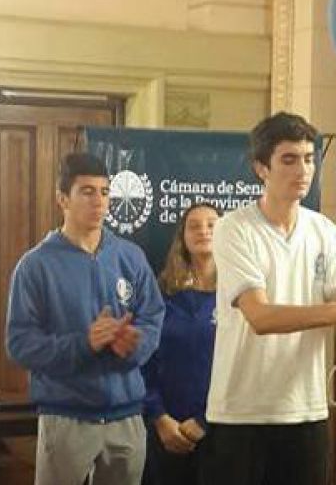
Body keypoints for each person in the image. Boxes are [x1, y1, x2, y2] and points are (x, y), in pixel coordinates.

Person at [201, 112, 336, 485]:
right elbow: (259, 317)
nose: (302, 170)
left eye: (309, 158)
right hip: (242, 412)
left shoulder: (323, 230)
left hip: (305, 411)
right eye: (289, 159)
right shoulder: (234, 228)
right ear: (262, 168)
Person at [6, 151, 165, 485]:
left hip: (126, 416)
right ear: (63, 198)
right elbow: (20, 344)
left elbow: (152, 316)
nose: (99, 202)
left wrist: (134, 345)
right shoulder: (36, 265)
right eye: (87, 192)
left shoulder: (130, 257)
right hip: (66, 416)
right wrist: (84, 343)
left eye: (105, 192)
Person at [142, 202, 221, 485]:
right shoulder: (161, 295)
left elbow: (246, 368)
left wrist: (205, 421)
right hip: (165, 431)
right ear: (182, 238)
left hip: (221, 431)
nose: (204, 231)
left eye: (212, 224)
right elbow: (144, 362)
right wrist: (159, 417)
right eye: (194, 225)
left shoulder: (241, 297)